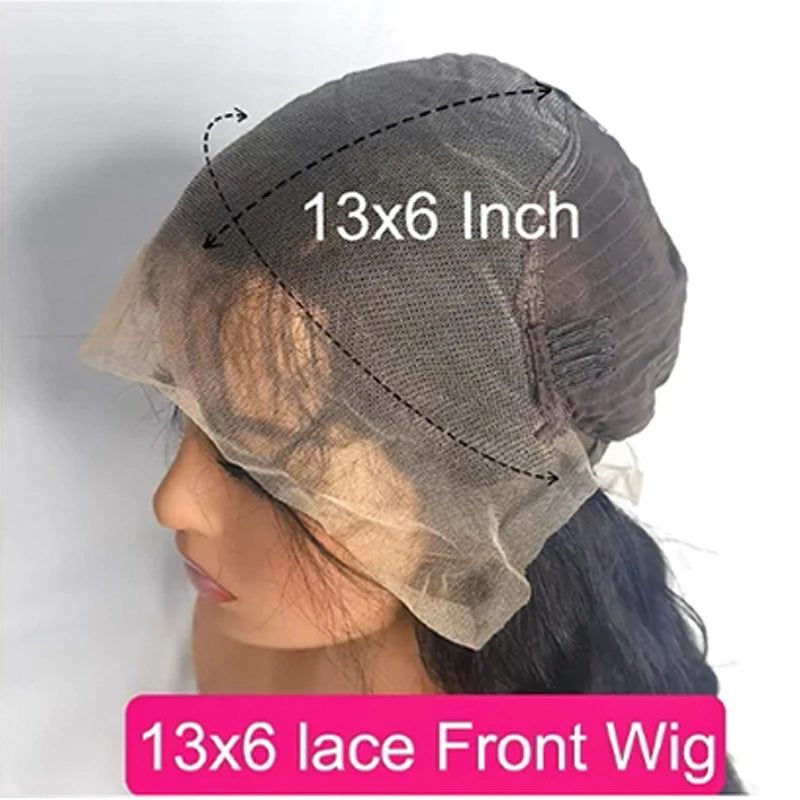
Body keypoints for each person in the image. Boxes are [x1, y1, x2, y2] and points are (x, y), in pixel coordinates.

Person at [80, 53, 745, 792]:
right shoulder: (251, 628)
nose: (172, 501)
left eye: (256, 463)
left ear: (464, 488)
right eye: (188, 406)